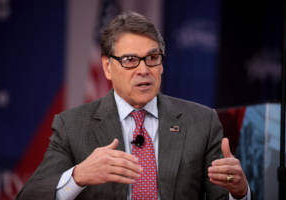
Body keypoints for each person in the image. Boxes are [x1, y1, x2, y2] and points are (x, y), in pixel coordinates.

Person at [16, 12, 251, 200]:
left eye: (152, 58)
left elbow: (223, 194)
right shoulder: (72, 126)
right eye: (130, 60)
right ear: (107, 67)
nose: (143, 69)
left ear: (161, 65)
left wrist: (238, 193)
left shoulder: (201, 121)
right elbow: (31, 195)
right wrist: (78, 176)